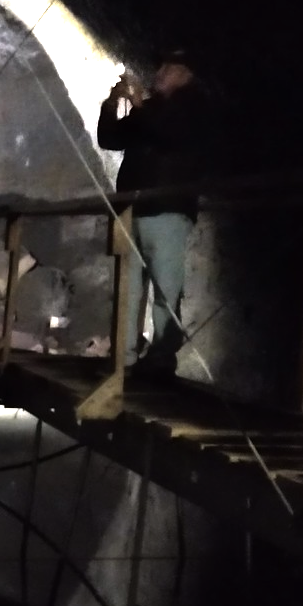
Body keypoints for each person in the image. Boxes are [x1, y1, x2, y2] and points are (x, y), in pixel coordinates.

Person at [96, 49, 212, 380]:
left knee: (166, 287)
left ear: (186, 75)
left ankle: (162, 357)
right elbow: (110, 139)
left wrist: (139, 101)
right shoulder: (153, 109)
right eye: (161, 65)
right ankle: (125, 356)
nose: (160, 71)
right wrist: (111, 104)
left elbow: (171, 134)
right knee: (129, 287)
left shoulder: (194, 108)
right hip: (133, 209)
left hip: (168, 210)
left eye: (169, 67)